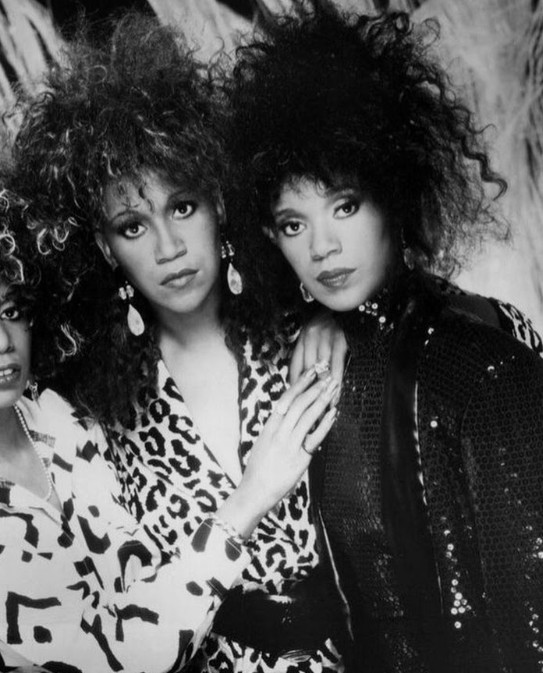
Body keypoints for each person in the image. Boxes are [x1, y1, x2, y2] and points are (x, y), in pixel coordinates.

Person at [0, 153, 338, 673]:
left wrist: (328, 317)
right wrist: (251, 496)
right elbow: (120, 656)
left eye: (11, 310)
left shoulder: (61, 413)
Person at [12, 12, 346, 673]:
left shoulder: (301, 332)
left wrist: (334, 319)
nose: (167, 247)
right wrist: (249, 497)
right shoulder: (93, 412)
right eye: (133, 226)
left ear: (218, 199)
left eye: (182, 206)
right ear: (104, 245)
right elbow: (111, 619)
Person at [227, 3, 543, 672]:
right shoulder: (309, 361)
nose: (322, 246)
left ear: (394, 193)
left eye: (344, 204)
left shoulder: (483, 369)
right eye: (293, 223)